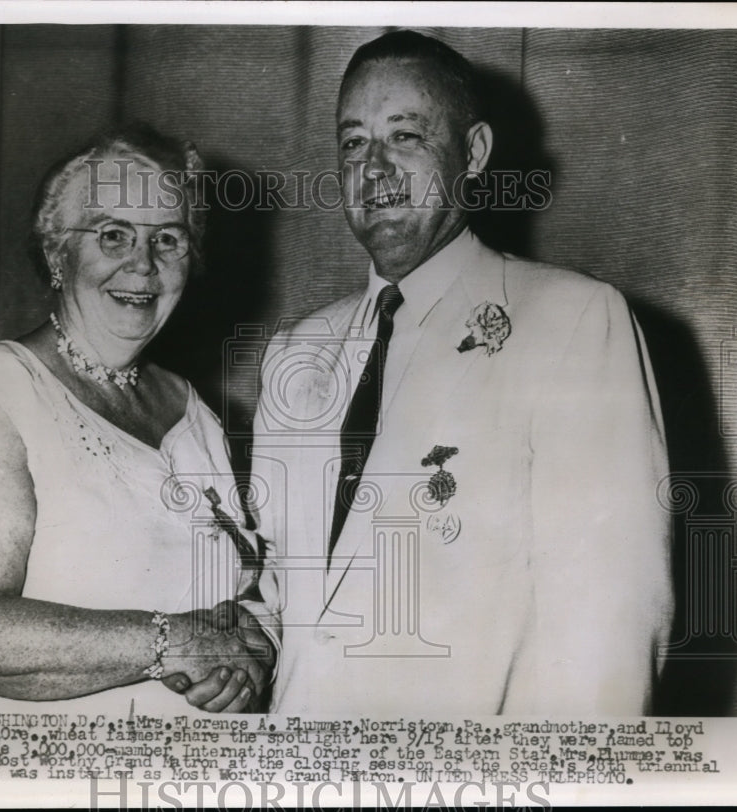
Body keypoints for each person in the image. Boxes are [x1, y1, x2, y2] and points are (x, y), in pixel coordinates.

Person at [252, 31, 673, 716]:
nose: (375, 169)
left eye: (406, 137)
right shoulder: (298, 351)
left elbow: (610, 626)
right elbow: (281, 581)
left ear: (472, 153)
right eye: (354, 142)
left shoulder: (572, 320)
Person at [0, 123, 278, 715]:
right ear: (59, 254)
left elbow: (242, 591)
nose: (143, 265)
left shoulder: (196, 411)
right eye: (114, 235)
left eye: (168, 238)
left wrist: (252, 652)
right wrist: (172, 642)